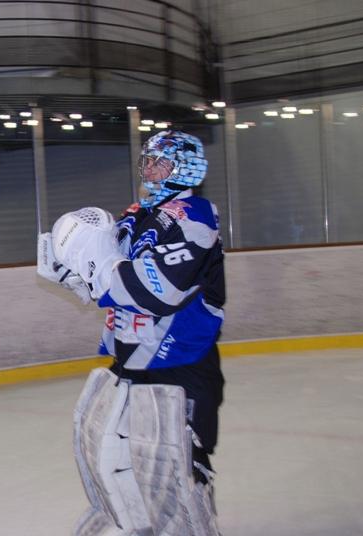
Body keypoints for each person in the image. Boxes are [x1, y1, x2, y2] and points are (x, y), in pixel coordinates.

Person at [37, 130, 224, 535]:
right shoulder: (137, 215)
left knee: (178, 474)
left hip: (181, 364)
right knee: (115, 462)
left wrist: (101, 266)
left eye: (161, 163)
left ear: (187, 168)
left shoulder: (196, 216)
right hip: (130, 359)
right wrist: (72, 272)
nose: (150, 170)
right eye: (148, 161)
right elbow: (105, 286)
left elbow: (159, 291)